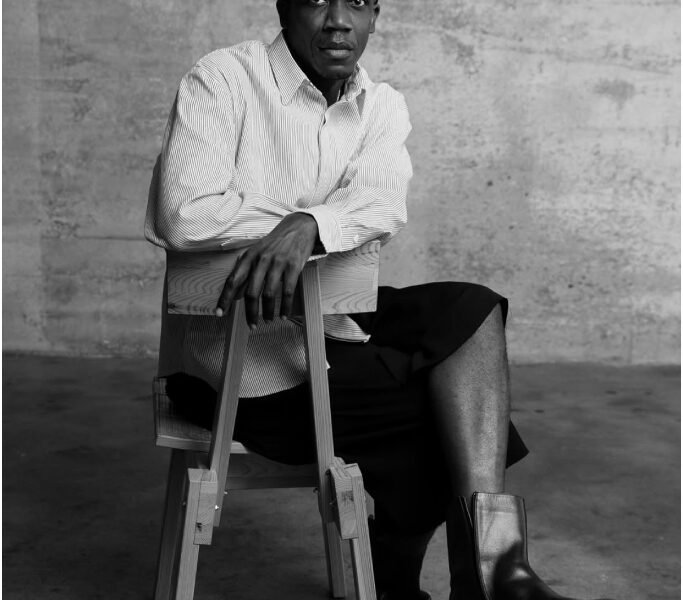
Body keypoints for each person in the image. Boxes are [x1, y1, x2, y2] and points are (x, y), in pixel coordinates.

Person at [145, 1, 614, 599]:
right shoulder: (224, 78)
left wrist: (309, 225)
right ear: (285, 6)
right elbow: (184, 214)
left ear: (375, 16)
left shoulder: (381, 104)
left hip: (333, 327)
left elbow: (384, 203)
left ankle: (485, 573)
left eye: (358, 2)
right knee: (453, 410)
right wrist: (306, 224)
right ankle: (466, 574)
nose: (338, 20)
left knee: (471, 310)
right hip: (244, 374)